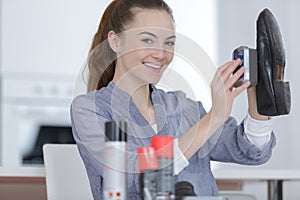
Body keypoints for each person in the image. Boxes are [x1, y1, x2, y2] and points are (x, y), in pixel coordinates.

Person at [71, 0, 276, 199]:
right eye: (147, 40)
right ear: (116, 42)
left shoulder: (183, 107)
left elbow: (249, 151)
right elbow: (131, 177)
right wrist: (214, 117)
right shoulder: (90, 109)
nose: (161, 54)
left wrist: (261, 94)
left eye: (169, 42)